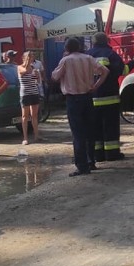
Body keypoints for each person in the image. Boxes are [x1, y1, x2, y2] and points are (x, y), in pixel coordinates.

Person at [51, 37, 108, 177]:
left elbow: (54, 77)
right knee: (90, 132)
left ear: (67, 48)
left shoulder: (66, 60)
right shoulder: (88, 58)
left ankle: (82, 166)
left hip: (73, 99)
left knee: (78, 134)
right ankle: (91, 162)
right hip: (88, 97)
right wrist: (95, 86)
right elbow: (105, 71)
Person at [86, 32, 125, 161]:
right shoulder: (111, 54)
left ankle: (98, 155)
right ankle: (112, 154)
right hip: (110, 99)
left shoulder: (87, 55)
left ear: (94, 42)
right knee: (110, 127)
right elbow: (122, 71)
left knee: (95, 128)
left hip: (92, 99)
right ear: (107, 41)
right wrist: (133, 63)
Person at [18, 51, 43, 145]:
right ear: (24, 58)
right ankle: (25, 138)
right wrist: (29, 66)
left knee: (34, 116)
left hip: (34, 93)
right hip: (25, 94)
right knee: (25, 116)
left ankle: (36, 135)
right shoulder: (20, 67)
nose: (31, 59)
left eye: (32, 57)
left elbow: (38, 81)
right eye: (29, 57)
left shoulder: (33, 68)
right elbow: (23, 72)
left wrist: (37, 75)